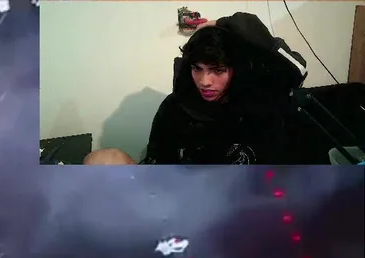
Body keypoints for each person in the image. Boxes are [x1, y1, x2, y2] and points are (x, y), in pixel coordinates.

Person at [84, 13, 305, 165]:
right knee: (101, 161)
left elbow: (297, 70)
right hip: (183, 200)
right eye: (197, 69)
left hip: (245, 203)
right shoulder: (175, 107)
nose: (204, 81)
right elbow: (159, 163)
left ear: (235, 70)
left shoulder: (259, 101)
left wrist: (224, 22)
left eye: (217, 70)